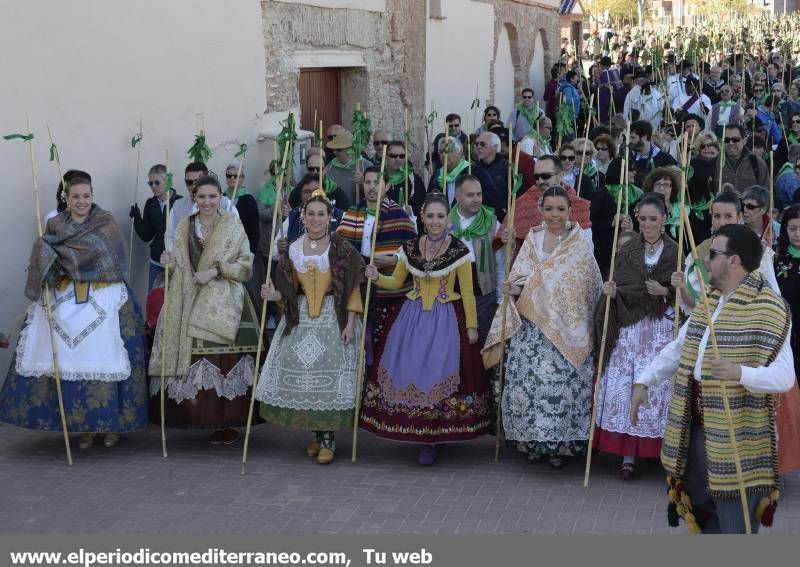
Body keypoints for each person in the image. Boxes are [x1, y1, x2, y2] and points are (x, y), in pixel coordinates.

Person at [631, 224, 793, 534]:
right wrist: (645, 381)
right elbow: (680, 346)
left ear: (733, 261)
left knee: (735, 522)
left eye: (712, 254)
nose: (705, 261)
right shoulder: (710, 301)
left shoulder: (769, 308)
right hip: (694, 429)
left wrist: (740, 373)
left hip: (737, 438)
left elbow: (784, 377)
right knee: (703, 514)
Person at [0, 176, 148, 449]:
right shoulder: (56, 225)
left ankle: (111, 427)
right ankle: (84, 429)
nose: (81, 201)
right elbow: (50, 261)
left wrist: (67, 258)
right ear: (66, 198)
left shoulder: (106, 222)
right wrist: (42, 252)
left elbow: (112, 257)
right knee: (67, 358)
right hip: (66, 295)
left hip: (106, 294)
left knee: (109, 355)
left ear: (93, 195)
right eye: (76, 197)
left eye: (86, 196)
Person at [361, 193, 490, 465]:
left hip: (446, 320)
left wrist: (472, 326)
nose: (435, 221)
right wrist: (376, 278)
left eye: (440, 216)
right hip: (411, 318)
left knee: (440, 373)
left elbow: (467, 291)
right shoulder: (409, 247)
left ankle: (435, 438)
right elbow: (396, 282)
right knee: (410, 370)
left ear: (448, 218)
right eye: (430, 216)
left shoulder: (460, 250)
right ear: (421, 217)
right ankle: (418, 432)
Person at [483, 186, 602, 468]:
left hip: (569, 329)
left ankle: (561, 446)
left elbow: (587, 285)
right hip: (533, 328)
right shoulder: (533, 239)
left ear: (570, 210)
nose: (554, 215)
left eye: (560, 209)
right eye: (549, 209)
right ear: (541, 209)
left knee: (561, 389)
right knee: (532, 385)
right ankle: (533, 443)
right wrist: (515, 287)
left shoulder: (579, 242)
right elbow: (523, 274)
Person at [256, 190, 365, 465]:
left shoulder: (342, 248)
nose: (315, 219)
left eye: (321, 214)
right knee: (308, 378)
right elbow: (288, 291)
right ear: (302, 217)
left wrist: (351, 323)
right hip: (302, 318)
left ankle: (328, 439)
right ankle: (318, 436)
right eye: (310, 214)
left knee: (328, 380)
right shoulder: (292, 248)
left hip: (333, 317)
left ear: (330, 218)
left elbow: (353, 288)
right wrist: (274, 296)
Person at [149, 175, 260, 445]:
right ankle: (195, 415)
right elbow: (180, 264)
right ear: (194, 198)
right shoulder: (185, 225)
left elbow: (246, 265)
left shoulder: (232, 225)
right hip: (188, 296)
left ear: (221, 197)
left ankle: (226, 422)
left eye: (213, 197)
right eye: (202, 197)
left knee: (223, 359)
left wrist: (215, 271)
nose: (207, 202)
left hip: (225, 300)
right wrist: (170, 263)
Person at [593, 193, 678, 480]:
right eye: (643, 219)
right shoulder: (627, 251)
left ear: (665, 218)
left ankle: (664, 452)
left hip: (661, 328)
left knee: (660, 387)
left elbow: (688, 294)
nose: (647, 224)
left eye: (653, 219)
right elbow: (623, 283)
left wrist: (666, 291)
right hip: (630, 326)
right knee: (628, 383)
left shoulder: (676, 252)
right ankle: (628, 453)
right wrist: (612, 292)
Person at [336, 166, 416, 349]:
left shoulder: (399, 215)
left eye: (377, 182)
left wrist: (394, 259)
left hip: (386, 290)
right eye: (368, 182)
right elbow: (339, 246)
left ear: (387, 186)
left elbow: (414, 250)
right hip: (358, 285)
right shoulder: (352, 212)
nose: (372, 187)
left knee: (385, 340)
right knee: (358, 338)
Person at [672, 191, 780, 314]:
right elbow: (692, 302)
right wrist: (681, 285)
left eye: (728, 216)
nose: (722, 222)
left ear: (739, 217)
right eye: (717, 216)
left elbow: (773, 296)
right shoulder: (700, 252)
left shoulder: (757, 250)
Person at [450, 175, 504, 344]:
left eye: (479, 194)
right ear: (457, 196)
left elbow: (500, 261)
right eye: (470, 195)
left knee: (483, 341)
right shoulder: (445, 222)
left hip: (483, 293)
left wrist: (500, 297)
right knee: (456, 340)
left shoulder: (492, 222)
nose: (476, 199)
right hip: (453, 293)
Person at [131, 164, 183, 290]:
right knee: (155, 300)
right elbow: (147, 235)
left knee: (174, 299)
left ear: (167, 181)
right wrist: (137, 219)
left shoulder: (180, 202)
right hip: (156, 261)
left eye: (156, 182)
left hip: (176, 262)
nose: (153, 186)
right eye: (150, 183)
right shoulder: (150, 204)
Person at [324, 129, 372, 209]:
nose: (335, 152)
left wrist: (364, 182)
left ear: (351, 150)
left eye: (339, 150)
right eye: (333, 149)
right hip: (336, 213)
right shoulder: (329, 167)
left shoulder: (366, 166)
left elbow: (378, 189)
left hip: (359, 213)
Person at [720, 124, 770, 195]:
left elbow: (766, 195)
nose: (731, 143)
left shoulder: (758, 163)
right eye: (727, 140)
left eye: (735, 139)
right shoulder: (715, 163)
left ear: (744, 141)